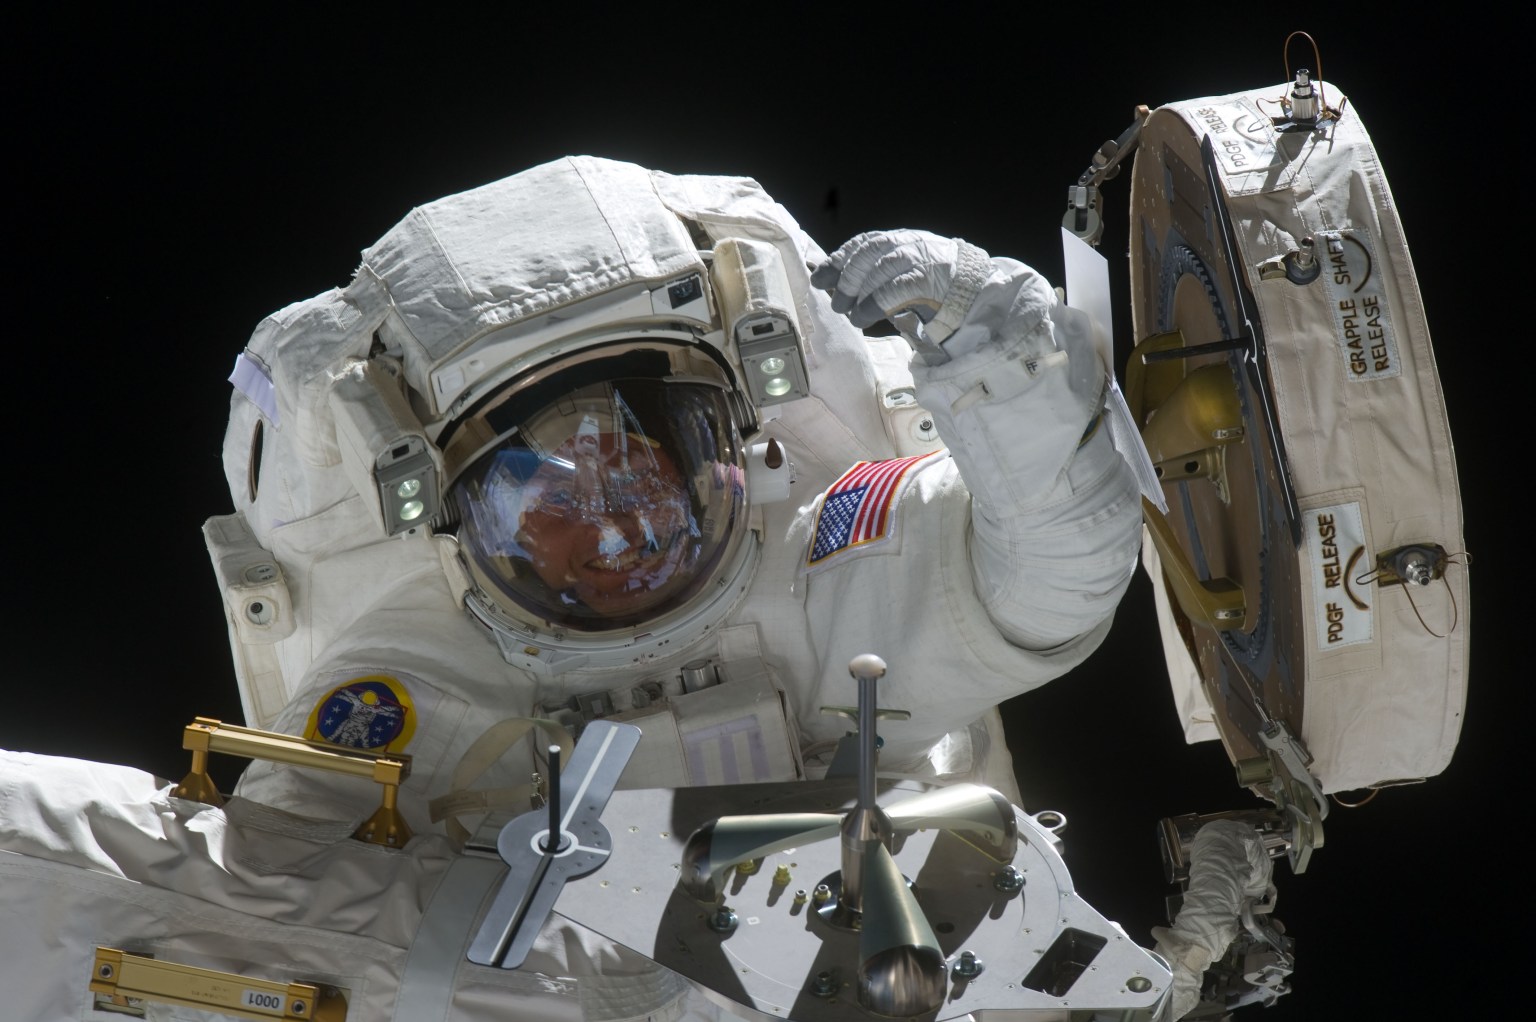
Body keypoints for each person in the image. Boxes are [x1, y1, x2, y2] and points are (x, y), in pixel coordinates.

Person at [0, 155, 1143, 1020]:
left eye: (647, 456)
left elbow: (1045, 575)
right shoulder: (420, 672)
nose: (618, 527)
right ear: (452, 521)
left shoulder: (817, 563)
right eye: (547, 497)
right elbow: (263, 901)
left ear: (731, 441)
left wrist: (1011, 374)